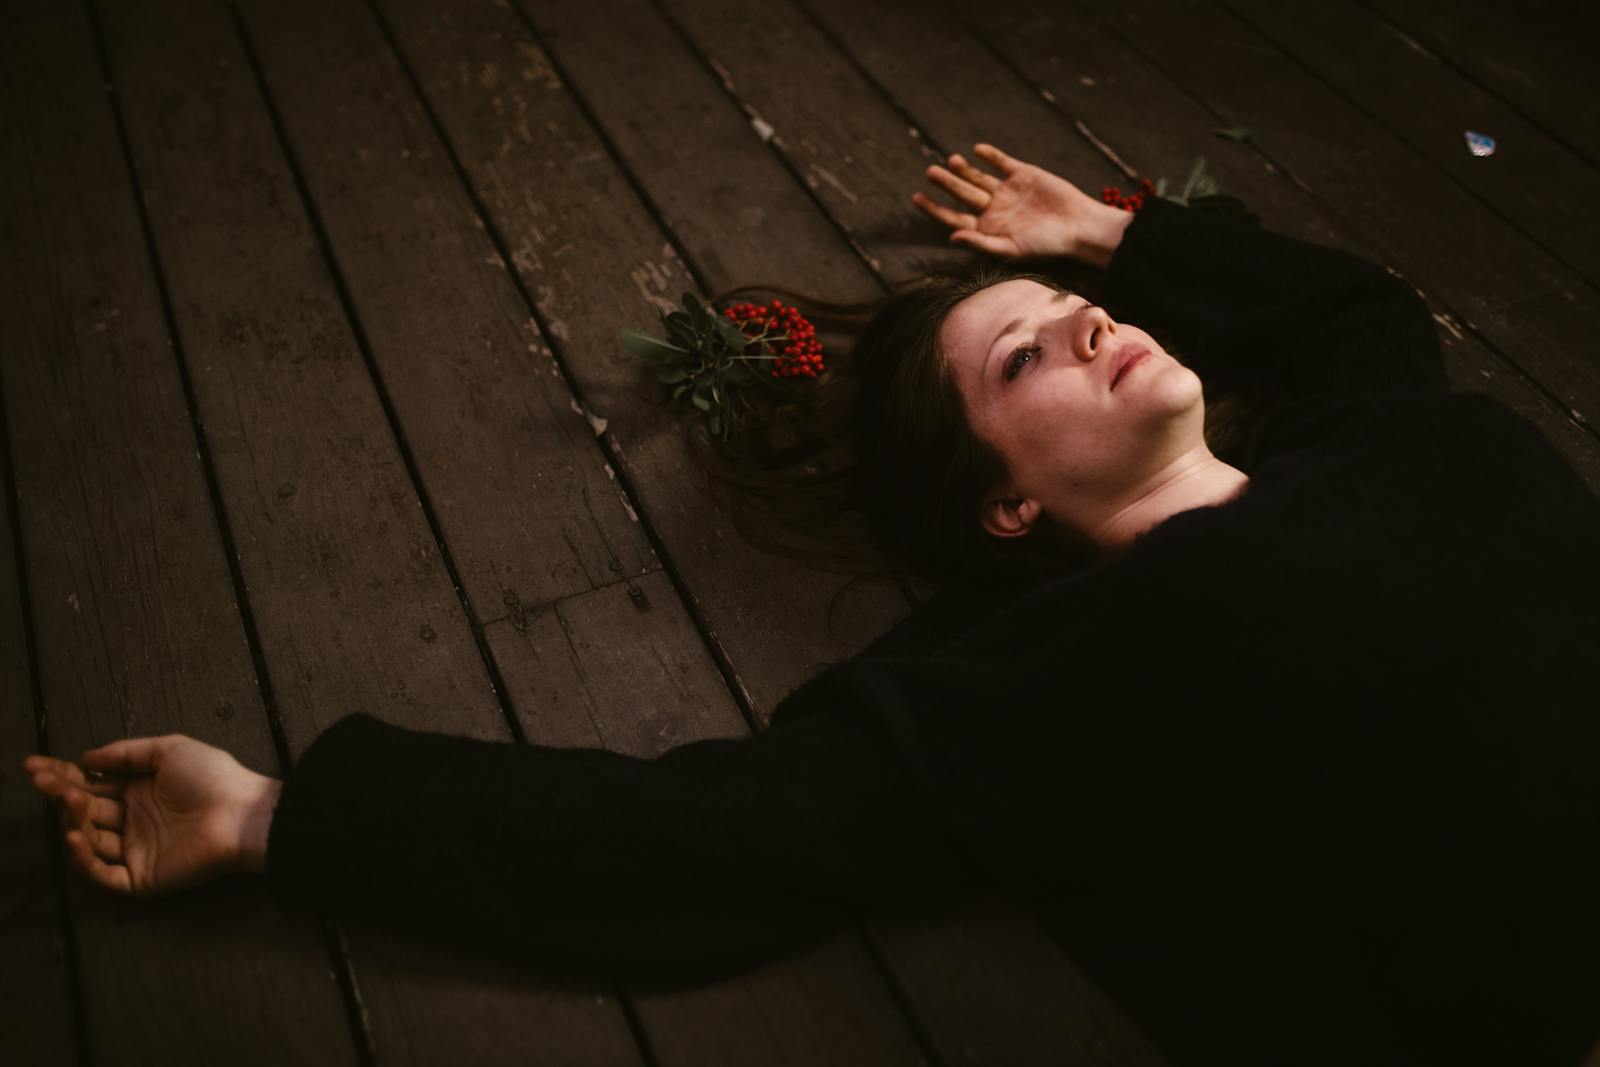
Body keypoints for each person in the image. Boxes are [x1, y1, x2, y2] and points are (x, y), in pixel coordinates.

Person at [25, 144, 1600, 1066]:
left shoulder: (1378, 424)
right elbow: (705, 839)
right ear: (1006, 505)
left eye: (1079, 315)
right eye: (1025, 357)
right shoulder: (1048, 675)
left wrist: (1111, 234)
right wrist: (272, 821)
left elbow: (1356, 312)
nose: (1091, 326)